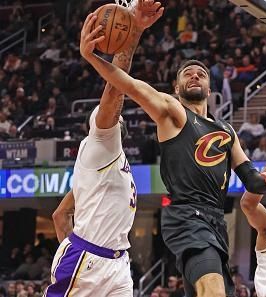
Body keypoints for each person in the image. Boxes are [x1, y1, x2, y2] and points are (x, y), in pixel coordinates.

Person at [79, 7, 266, 297]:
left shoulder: (226, 132)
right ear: (176, 86)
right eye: (188, 74)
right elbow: (127, 85)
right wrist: (92, 56)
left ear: (210, 89)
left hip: (215, 223)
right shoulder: (171, 111)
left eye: (201, 74)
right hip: (185, 216)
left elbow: (252, 180)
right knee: (214, 290)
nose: (195, 76)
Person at [44, 2, 164, 296]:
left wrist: (70, 245)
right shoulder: (99, 144)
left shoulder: (111, 163)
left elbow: (60, 215)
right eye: (111, 116)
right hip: (89, 261)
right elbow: (115, 90)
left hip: (119, 263)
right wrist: (133, 32)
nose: (117, 116)